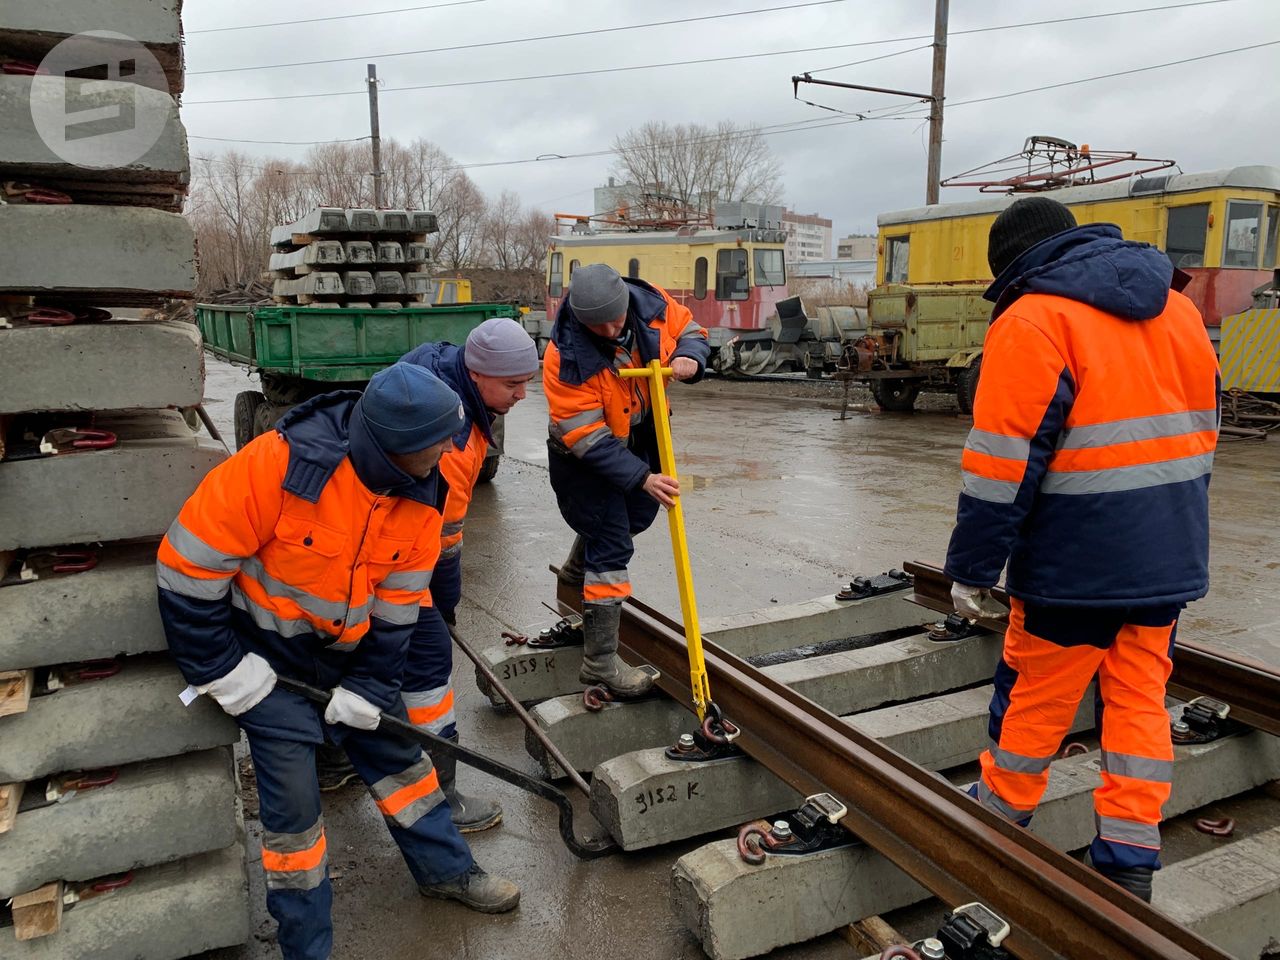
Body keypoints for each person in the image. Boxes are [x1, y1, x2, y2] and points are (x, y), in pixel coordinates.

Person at [157, 363, 520, 960]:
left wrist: (372, 683)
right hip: (267, 666)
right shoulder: (275, 466)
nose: (450, 454)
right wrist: (226, 673)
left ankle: (447, 872)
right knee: (294, 813)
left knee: (404, 765)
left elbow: (400, 608)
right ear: (393, 447)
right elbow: (185, 570)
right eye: (437, 445)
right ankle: (306, 945)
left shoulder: (422, 494)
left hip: (345, 662)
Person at [945, 197, 1220, 902]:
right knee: (1138, 699)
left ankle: (1000, 817)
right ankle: (1129, 855)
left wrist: (973, 569)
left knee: (1035, 695)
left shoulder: (1032, 318)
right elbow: (1202, 432)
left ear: (1013, 267)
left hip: (1074, 565)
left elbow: (1002, 466)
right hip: (1168, 553)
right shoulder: (1180, 309)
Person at [315, 319, 539, 830]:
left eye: (527, 382)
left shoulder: (436, 368)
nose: (523, 395)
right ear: (478, 374)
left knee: (356, 655)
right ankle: (440, 795)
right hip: (382, 555)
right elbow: (440, 538)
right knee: (427, 663)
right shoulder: (452, 444)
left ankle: (334, 761)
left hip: (359, 544)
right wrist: (444, 601)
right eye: (513, 384)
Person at [543, 263, 710, 696]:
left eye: (616, 320)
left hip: (637, 436)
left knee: (638, 513)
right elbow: (588, 440)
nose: (612, 330)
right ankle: (600, 664)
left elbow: (691, 328)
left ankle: (579, 565)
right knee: (612, 541)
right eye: (599, 325)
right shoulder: (564, 355)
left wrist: (691, 355)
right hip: (584, 459)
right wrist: (641, 476)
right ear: (580, 318)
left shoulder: (651, 303)